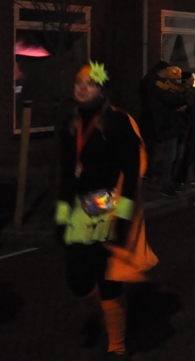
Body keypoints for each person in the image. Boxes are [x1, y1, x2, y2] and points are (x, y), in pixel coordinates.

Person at [55, 62, 157, 358]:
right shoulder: (69, 125)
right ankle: (106, 317)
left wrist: (122, 219)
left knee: (107, 277)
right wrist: (61, 218)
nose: (82, 88)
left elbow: (130, 174)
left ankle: (117, 345)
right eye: (79, 82)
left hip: (107, 208)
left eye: (89, 83)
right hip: (79, 210)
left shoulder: (118, 123)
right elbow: (65, 176)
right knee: (77, 280)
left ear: (102, 90)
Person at [148, 66, 188, 197]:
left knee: (176, 155)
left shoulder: (165, 84)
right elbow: (171, 98)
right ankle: (166, 184)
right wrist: (182, 100)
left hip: (174, 124)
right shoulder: (157, 84)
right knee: (170, 155)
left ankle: (171, 182)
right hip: (169, 124)